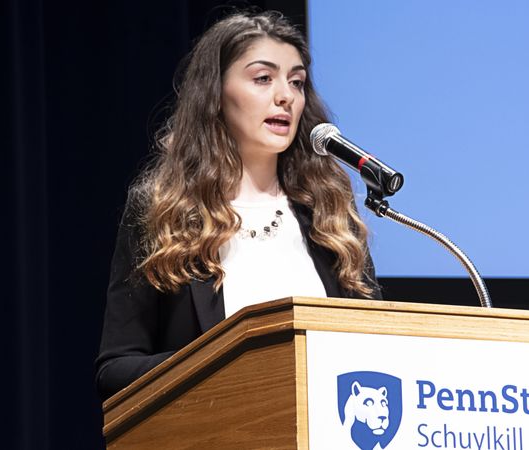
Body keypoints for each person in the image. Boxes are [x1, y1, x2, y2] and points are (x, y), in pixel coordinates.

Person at [95, 11, 380, 400]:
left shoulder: (328, 209)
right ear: (215, 94)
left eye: (296, 82)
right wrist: (223, 364)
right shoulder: (163, 210)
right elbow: (116, 369)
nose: (285, 96)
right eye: (263, 78)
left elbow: (377, 350)